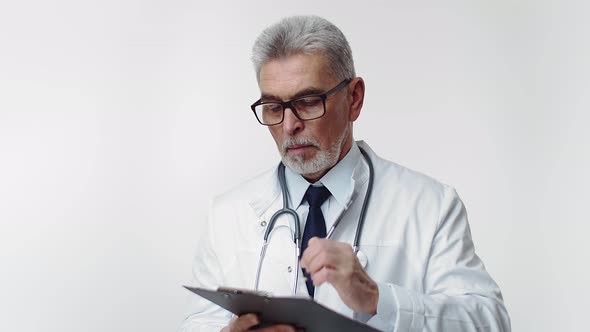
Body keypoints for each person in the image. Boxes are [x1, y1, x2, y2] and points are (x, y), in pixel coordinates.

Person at [178, 15, 510, 332]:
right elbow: (198, 323)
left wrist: (377, 298)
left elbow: (490, 323)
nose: (290, 125)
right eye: (274, 108)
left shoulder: (430, 206)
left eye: (307, 101)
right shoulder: (227, 213)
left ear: (354, 98)